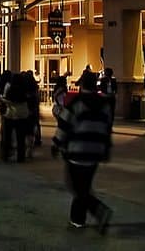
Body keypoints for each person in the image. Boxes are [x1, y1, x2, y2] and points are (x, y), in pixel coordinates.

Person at [52, 70, 114, 233]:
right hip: (95, 151)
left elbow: (64, 125)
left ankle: (98, 210)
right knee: (84, 186)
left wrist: (56, 143)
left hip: (77, 150)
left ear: (82, 85)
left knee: (75, 186)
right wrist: (106, 148)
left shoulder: (76, 103)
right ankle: (77, 219)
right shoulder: (105, 105)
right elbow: (107, 128)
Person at [0, 73, 30, 162]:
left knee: (7, 137)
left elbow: (8, 100)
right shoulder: (24, 89)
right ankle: (21, 157)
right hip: (22, 115)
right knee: (21, 138)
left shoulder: (10, 89)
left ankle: (5, 155)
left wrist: (2, 99)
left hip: (10, 115)